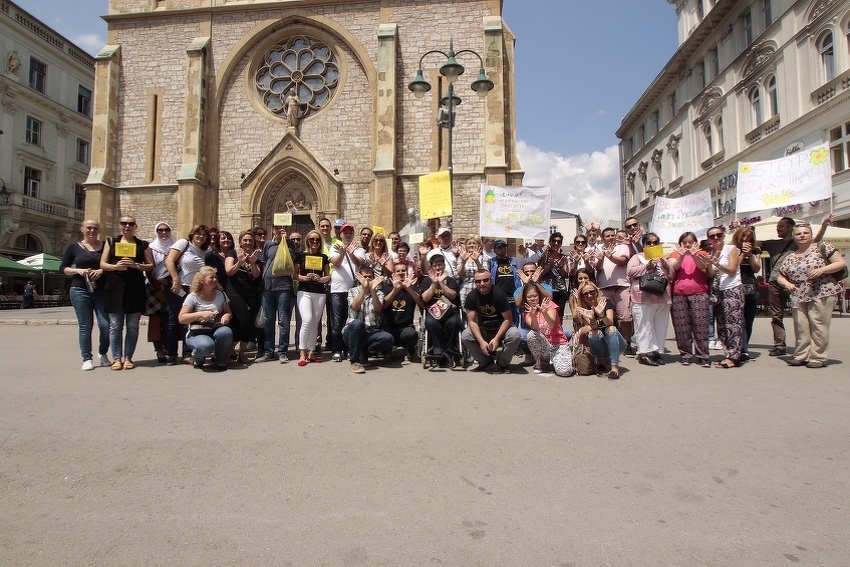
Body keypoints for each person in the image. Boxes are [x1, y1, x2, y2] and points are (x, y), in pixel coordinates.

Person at [776, 223, 846, 368]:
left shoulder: (822, 247)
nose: (802, 236)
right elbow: (780, 276)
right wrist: (786, 284)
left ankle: (818, 357)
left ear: (811, 235)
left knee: (819, 325)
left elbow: (840, 263)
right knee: (801, 326)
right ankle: (801, 355)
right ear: (794, 237)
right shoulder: (791, 256)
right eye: (799, 234)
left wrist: (823, 270)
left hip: (822, 292)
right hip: (799, 294)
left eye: (805, 233)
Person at [760, 215, 831, 356]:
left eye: (781, 226)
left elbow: (816, 240)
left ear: (790, 227)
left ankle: (806, 346)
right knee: (776, 315)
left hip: (796, 283)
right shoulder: (772, 244)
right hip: (775, 281)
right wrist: (741, 229)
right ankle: (779, 345)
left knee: (801, 314)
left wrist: (824, 225)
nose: (777, 228)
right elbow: (753, 242)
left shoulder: (799, 242)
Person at [100, 215, 154, 370]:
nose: (127, 226)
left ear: (135, 226)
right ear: (119, 226)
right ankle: (116, 358)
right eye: (124, 223)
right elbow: (103, 264)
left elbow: (150, 265)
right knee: (115, 325)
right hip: (114, 287)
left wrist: (136, 265)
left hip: (134, 288)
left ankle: (128, 357)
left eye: (130, 224)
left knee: (132, 326)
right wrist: (116, 267)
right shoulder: (111, 242)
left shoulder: (142, 244)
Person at [61, 219, 109, 370]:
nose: (92, 230)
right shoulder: (74, 247)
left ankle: (102, 353)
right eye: (89, 228)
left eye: (95, 228)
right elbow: (63, 268)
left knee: (105, 325)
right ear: (82, 229)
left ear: (99, 230)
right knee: (85, 325)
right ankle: (86, 358)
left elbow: (112, 265)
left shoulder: (105, 246)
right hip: (80, 289)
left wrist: (101, 270)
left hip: (101, 291)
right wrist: (77, 270)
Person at [164, 224, 211, 364]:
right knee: (173, 320)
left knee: (189, 321)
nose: (201, 236)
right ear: (192, 234)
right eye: (198, 233)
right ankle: (171, 354)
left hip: (193, 290)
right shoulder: (184, 243)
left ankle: (187, 354)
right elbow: (169, 260)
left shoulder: (203, 251)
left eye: (204, 234)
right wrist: (175, 279)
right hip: (178, 287)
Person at [626, 232, 674, 366]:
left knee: (660, 325)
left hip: (662, 298)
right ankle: (644, 353)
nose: (652, 244)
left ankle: (656, 352)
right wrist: (647, 266)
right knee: (644, 326)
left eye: (655, 242)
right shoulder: (637, 257)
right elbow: (630, 272)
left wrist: (665, 264)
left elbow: (672, 275)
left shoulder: (664, 259)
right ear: (644, 245)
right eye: (649, 242)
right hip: (642, 298)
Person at [667, 231, 714, 367]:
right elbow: (673, 267)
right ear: (680, 243)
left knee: (701, 325)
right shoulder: (674, 254)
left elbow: (703, 267)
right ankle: (685, 354)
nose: (687, 244)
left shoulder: (702, 254)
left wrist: (694, 254)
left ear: (696, 243)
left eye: (690, 242)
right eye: (685, 242)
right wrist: (681, 255)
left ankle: (703, 355)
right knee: (682, 326)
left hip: (699, 293)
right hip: (678, 294)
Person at [462, 268, 521, 373]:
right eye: (478, 281)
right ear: (474, 282)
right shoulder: (471, 296)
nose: (482, 283)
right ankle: (485, 362)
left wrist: (497, 339)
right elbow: (472, 322)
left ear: (491, 280)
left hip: (501, 326)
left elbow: (508, 319)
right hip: (483, 328)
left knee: (515, 335)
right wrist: (481, 342)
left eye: (485, 280)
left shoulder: (499, 294)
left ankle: (502, 363)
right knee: (466, 335)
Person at [178, 266, 233, 371]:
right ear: (202, 280)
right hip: (197, 332)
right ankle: (198, 358)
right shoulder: (193, 296)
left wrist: (227, 316)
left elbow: (228, 312)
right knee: (206, 345)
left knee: (226, 332)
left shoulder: (221, 294)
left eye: (215, 277)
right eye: (211, 278)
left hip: (215, 327)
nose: (215, 280)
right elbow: (181, 318)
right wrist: (200, 314)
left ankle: (221, 360)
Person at [256, 224, 296, 363]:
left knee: (283, 321)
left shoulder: (290, 243)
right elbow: (264, 261)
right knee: (268, 321)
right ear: (273, 229)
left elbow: (290, 260)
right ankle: (268, 351)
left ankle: (283, 352)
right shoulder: (268, 244)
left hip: (283, 286)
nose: (279, 230)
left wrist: (284, 241)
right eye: (277, 227)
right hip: (267, 287)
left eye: (282, 227)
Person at [343, 266, 393, 374]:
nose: (367, 279)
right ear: (359, 278)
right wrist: (364, 290)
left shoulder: (379, 293)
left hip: (371, 332)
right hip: (352, 332)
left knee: (388, 338)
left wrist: (372, 291)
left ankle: (363, 351)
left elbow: (378, 309)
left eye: (370, 277)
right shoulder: (352, 291)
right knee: (357, 323)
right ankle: (354, 361)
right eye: (364, 276)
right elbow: (355, 307)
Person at [573, 281, 627, 379]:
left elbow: (610, 322)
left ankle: (614, 367)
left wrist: (601, 314)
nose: (589, 295)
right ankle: (601, 361)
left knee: (611, 328)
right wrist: (592, 317)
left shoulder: (606, 302)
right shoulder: (585, 309)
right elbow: (593, 327)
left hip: (617, 343)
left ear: (596, 292)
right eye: (585, 294)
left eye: (591, 292)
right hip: (601, 345)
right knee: (594, 333)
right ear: (582, 297)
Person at [707, 226, 744, 368]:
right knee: (721, 324)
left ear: (723, 236)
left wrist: (717, 264)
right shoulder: (711, 253)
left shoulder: (731, 249)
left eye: (718, 235)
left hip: (732, 289)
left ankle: (734, 357)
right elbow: (710, 275)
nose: (716, 238)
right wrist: (709, 265)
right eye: (712, 236)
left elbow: (732, 270)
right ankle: (727, 353)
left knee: (733, 324)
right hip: (717, 291)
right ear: (709, 239)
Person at [224, 230, 262, 364]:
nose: (248, 242)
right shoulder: (232, 254)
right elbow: (229, 271)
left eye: (250, 240)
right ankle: (230, 351)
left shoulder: (256, 255)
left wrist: (252, 262)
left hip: (251, 293)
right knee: (243, 321)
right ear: (240, 241)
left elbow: (257, 275)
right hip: (235, 293)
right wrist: (239, 262)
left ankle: (241, 354)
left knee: (249, 323)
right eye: (245, 240)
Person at [595, 227, 635, 356]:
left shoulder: (622, 247)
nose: (611, 237)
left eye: (613, 235)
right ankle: (609, 343)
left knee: (625, 317)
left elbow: (623, 262)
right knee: (605, 318)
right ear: (603, 238)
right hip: (604, 288)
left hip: (621, 286)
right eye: (608, 236)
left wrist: (610, 256)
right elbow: (598, 268)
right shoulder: (598, 247)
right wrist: (601, 258)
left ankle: (627, 343)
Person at [418, 254, 462, 366]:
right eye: (435, 266)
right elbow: (425, 298)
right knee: (430, 322)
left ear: (444, 265)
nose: (438, 268)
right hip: (433, 312)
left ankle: (449, 349)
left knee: (454, 322)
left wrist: (441, 283)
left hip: (450, 312)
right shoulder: (427, 281)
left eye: (440, 265)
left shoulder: (451, 280)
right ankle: (439, 351)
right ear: (431, 268)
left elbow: (453, 296)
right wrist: (434, 283)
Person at [520, 282, 573, 376]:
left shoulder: (549, 304)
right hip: (544, 346)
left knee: (565, 372)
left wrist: (544, 312)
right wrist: (532, 315)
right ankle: (539, 361)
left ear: (539, 295)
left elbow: (552, 324)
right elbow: (535, 328)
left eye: (535, 296)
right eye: (529, 297)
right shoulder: (527, 311)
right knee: (532, 334)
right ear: (526, 298)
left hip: (558, 344)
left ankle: (560, 360)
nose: (532, 299)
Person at [294, 230, 330, 366]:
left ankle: (311, 352)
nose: (314, 242)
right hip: (304, 291)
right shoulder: (300, 256)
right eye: (312, 240)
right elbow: (294, 274)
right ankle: (302, 352)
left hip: (319, 292)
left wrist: (321, 279)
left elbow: (327, 276)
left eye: (317, 240)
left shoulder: (323, 257)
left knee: (315, 322)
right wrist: (305, 277)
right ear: (307, 241)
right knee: (307, 320)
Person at [329, 223, 363, 361]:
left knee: (351, 321)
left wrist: (350, 253)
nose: (348, 235)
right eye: (345, 232)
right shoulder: (334, 247)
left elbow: (359, 262)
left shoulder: (358, 249)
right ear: (341, 234)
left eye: (350, 232)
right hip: (337, 290)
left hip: (353, 291)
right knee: (337, 322)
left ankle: (349, 348)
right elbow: (336, 263)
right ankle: (337, 349)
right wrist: (343, 253)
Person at [381, 262, 423, 362]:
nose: (401, 273)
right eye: (398, 271)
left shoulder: (411, 287)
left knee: (411, 334)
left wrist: (409, 289)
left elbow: (421, 304)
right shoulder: (388, 288)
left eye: (403, 270)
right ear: (394, 274)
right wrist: (395, 290)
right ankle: (387, 349)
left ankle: (411, 351)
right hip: (389, 327)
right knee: (384, 337)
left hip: (405, 327)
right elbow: (384, 305)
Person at [732, 226, 762, 361]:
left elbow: (756, 268)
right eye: (743, 237)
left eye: (749, 238)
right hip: (736, 287)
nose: (746, 240)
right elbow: (734, 266)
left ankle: (744, 347)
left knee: (748, 321)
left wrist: (750, 255)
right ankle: (742, 350)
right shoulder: (732, 250)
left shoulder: (756, 251)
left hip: (751, 288)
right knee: (740, 321)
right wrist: (743, 253)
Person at [148, 221, 175, 363]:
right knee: (156, 320)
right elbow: (149, 270)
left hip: (171, 287)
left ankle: (169, 347)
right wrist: (158, 289)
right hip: (155, 289)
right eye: (160, 230)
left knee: (170, 319)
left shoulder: (175, 246)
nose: (163, 233)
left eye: (166, 230)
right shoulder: (151, 248)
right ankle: (159, 349)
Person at [538, 232, 570, 319]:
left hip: (560, 290)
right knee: (547, 315)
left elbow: (565, 275)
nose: (556, 243)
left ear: (561, 244)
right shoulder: (544, 256)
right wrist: (549, 266)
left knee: (559, 317)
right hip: (547, 290)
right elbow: (539, 274)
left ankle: (559, 332)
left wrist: (560, 266)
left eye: (558, 242)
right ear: (550, 242)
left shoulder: (563, 257)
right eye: (554, 241)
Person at [457, 235, 490, 307]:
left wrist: (476, 260)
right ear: (466, 246)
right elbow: (459, 274)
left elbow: (485, 273)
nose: (472, 245)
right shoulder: (462, 257)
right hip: (465, 291)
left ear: (479, 245)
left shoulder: (483, 257)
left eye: (474, 243)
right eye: (469, 243)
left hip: (480, 289)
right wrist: (463, 261)